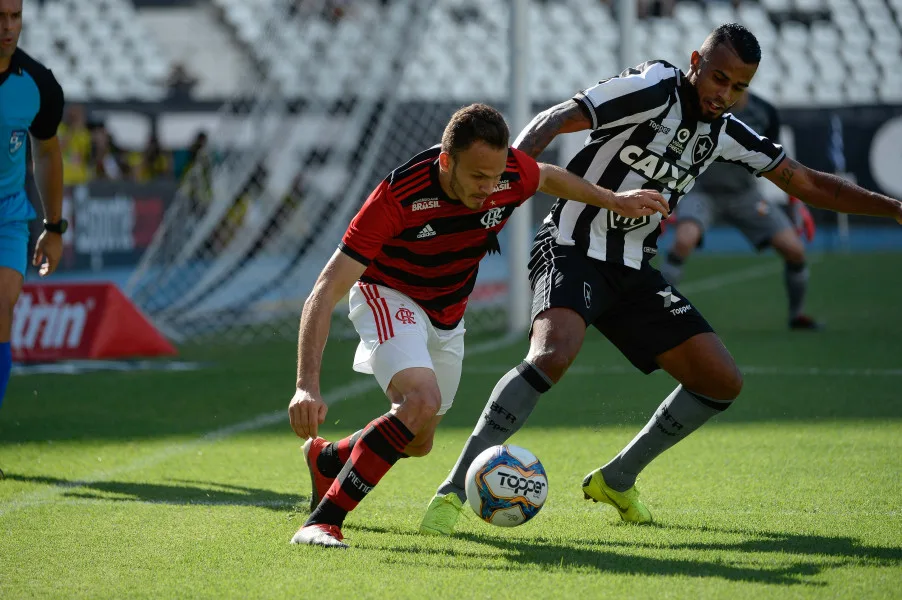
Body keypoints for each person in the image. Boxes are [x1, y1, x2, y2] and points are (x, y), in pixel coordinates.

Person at [416, 23, 902, 535]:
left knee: (720, 381)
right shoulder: (650, 88)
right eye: (718, 79)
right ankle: (451, 491)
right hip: (571, 245)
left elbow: (804, 182)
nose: (725, 95)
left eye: (739, 87)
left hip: (632, 267)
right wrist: (501, 189)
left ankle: (618, 479)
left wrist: (893, 209)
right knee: (551, 355)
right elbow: (553, 119)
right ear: (695, 61)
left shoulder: (727, 132)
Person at [287, 103, 670, 548]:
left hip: (448, 312)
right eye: (477, 178)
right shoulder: (399, 195)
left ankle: (328, 458)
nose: (490, 189)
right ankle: (323, 521)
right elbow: (325, 289)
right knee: (420, 401)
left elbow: (545, 174)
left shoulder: (508, 173)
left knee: (417, 440)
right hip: (388, 293)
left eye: (497, 176)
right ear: (446, 161)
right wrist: (306, 385)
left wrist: (614, 199)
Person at [660, 90, 821, 330]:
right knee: (683, 241)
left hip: (745, 194)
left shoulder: (764, 111)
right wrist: (665, 199)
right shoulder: (699, 105)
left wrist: (795, 203)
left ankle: (797, 316)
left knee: (794, 250)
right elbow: (672, 154)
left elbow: (781, 164)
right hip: (702, 190)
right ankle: (658, 314)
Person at [0, 0, 65, 479]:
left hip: (7, 217)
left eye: (15, 16)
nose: (7, 28)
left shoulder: (37, 83)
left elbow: (46, 153)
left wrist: (54, 225)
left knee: (2, 305)